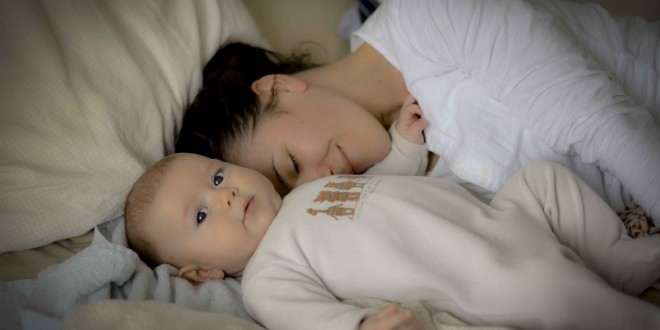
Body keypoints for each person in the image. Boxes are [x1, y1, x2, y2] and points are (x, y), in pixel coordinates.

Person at [175, 0, 660, 223]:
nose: (318, 184)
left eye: (291, 165)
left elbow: (606, 127)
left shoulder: (433, 14)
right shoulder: (397, 173)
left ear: (277, 87)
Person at [124, 153, 660, 330]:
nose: (223, 196)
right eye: (200, 215)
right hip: (470, 275)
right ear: (200, 273)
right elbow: (305, 319)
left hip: (496, 215)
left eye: (217, 177)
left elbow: (380, 180)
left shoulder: (304, 190)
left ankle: (613, 256)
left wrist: (404, 144)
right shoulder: (267, 275)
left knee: (545, 176)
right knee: (545, 287)